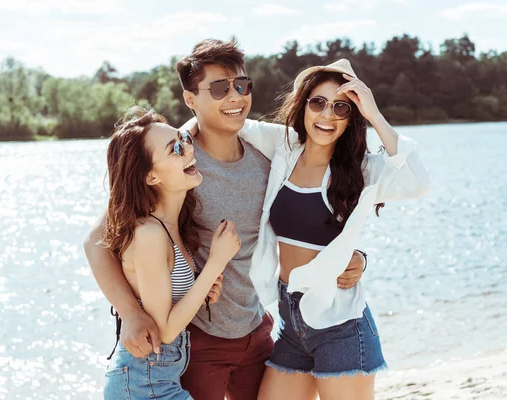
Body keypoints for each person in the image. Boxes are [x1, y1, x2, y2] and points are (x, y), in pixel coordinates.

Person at [84, 39, 366, 400]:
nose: (235, 97)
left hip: (257, 329)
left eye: (241, 86)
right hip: (197, 341)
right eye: (219, 88)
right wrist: (132, 315)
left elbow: (312, 214)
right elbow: (97, 240)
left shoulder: (269, 159)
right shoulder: (175, 162)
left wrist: (353, 257)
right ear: (190, 99)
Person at [237, 59, 431, 400]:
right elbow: (233, 124)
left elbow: (416, 182)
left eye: (341, 107)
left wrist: (374, 114)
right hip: (290, 321)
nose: (327, 115)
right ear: (303, 106)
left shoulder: (361, 170)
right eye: (318, 103)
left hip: (341, 324)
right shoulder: (284, 149)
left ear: (352, 116)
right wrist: (184, 133)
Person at [99, 106, 240, 399]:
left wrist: (202, 291)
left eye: (185, 139)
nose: (188, 149)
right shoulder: (149, 234)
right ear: (151, 177)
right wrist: (216, 262)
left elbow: (165, 307)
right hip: (142, 381)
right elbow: (164, 331)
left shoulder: (173, 226)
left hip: (157, 378)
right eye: (175, 148)